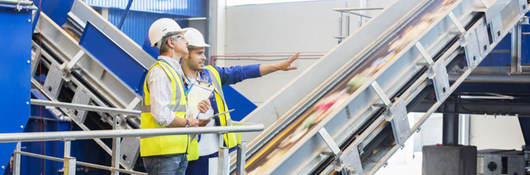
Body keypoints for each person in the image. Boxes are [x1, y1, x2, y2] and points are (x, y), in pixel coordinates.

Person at [180, 27, 300, 175]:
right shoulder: (175, 80)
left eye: (203, 53)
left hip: (215, 150)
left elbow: (240, 72)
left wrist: (278, 67)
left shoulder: (211, 73)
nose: (204, 57)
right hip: (189, 153)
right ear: (186, 54)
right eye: (199, 53)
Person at [140, 18, 211, 175]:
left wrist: (197, 117)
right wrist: (188, 123)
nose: (186, 41)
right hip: (162, 152)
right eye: (181, 37)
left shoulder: (175, 72)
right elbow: (161, 115)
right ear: (171, 42)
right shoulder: (160, 72)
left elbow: (177, 108)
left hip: (177, 149)